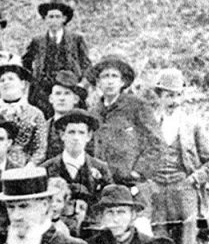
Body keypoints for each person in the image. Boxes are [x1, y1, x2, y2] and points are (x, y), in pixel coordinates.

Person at [145, 68, 209, 244]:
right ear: (159, 96)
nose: (175, 101)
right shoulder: (149, 124)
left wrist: (194, 179)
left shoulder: (192, 126)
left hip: (184, 192)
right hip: (156, 193)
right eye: (169, 96)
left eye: (178, 95)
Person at [88, 55, 162, 191]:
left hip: (131, 185)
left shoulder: (137, 106)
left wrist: (138, 172)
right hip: (101, 184)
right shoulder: (94, 112)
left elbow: (156, 143)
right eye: (105, 76)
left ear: (122, 82)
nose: (110, 81)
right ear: (98, 82)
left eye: (114, 76)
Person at [21, 0, 91, 116]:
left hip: (69, 88)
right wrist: (33, 79)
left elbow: (86, 64)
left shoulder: (76, 39)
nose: (54, 20)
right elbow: (26, 61)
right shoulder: (38, 41)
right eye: (51, 17)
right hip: (43, 92)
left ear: (64, 19)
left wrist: (82, 84)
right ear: (45, 19)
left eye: (57, 17)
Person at [0, 63, 48, 169]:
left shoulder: (35, 113)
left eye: (11, 79)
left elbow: (40, 148)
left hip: (22, 167)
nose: (6, 83)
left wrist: (29, 167)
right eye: (2, 80)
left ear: (22, 84)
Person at [39, 109, 111, 202]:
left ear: (88, 136)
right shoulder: (46, 169)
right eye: (71, 132)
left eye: (81, 133)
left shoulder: (100, 168)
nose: (76, 138)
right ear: (62, 135)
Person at [86, 184, 155, 244]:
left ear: (133, 215)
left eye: (121, 212)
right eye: (110, 212)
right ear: (102, 216)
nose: (115, 219)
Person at [44, 70, 88, 160]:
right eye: (58, 93)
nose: (62, 98)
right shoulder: (44, 128)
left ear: (75, 99)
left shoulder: (84, 128)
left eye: (67, 93)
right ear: (51, 99)